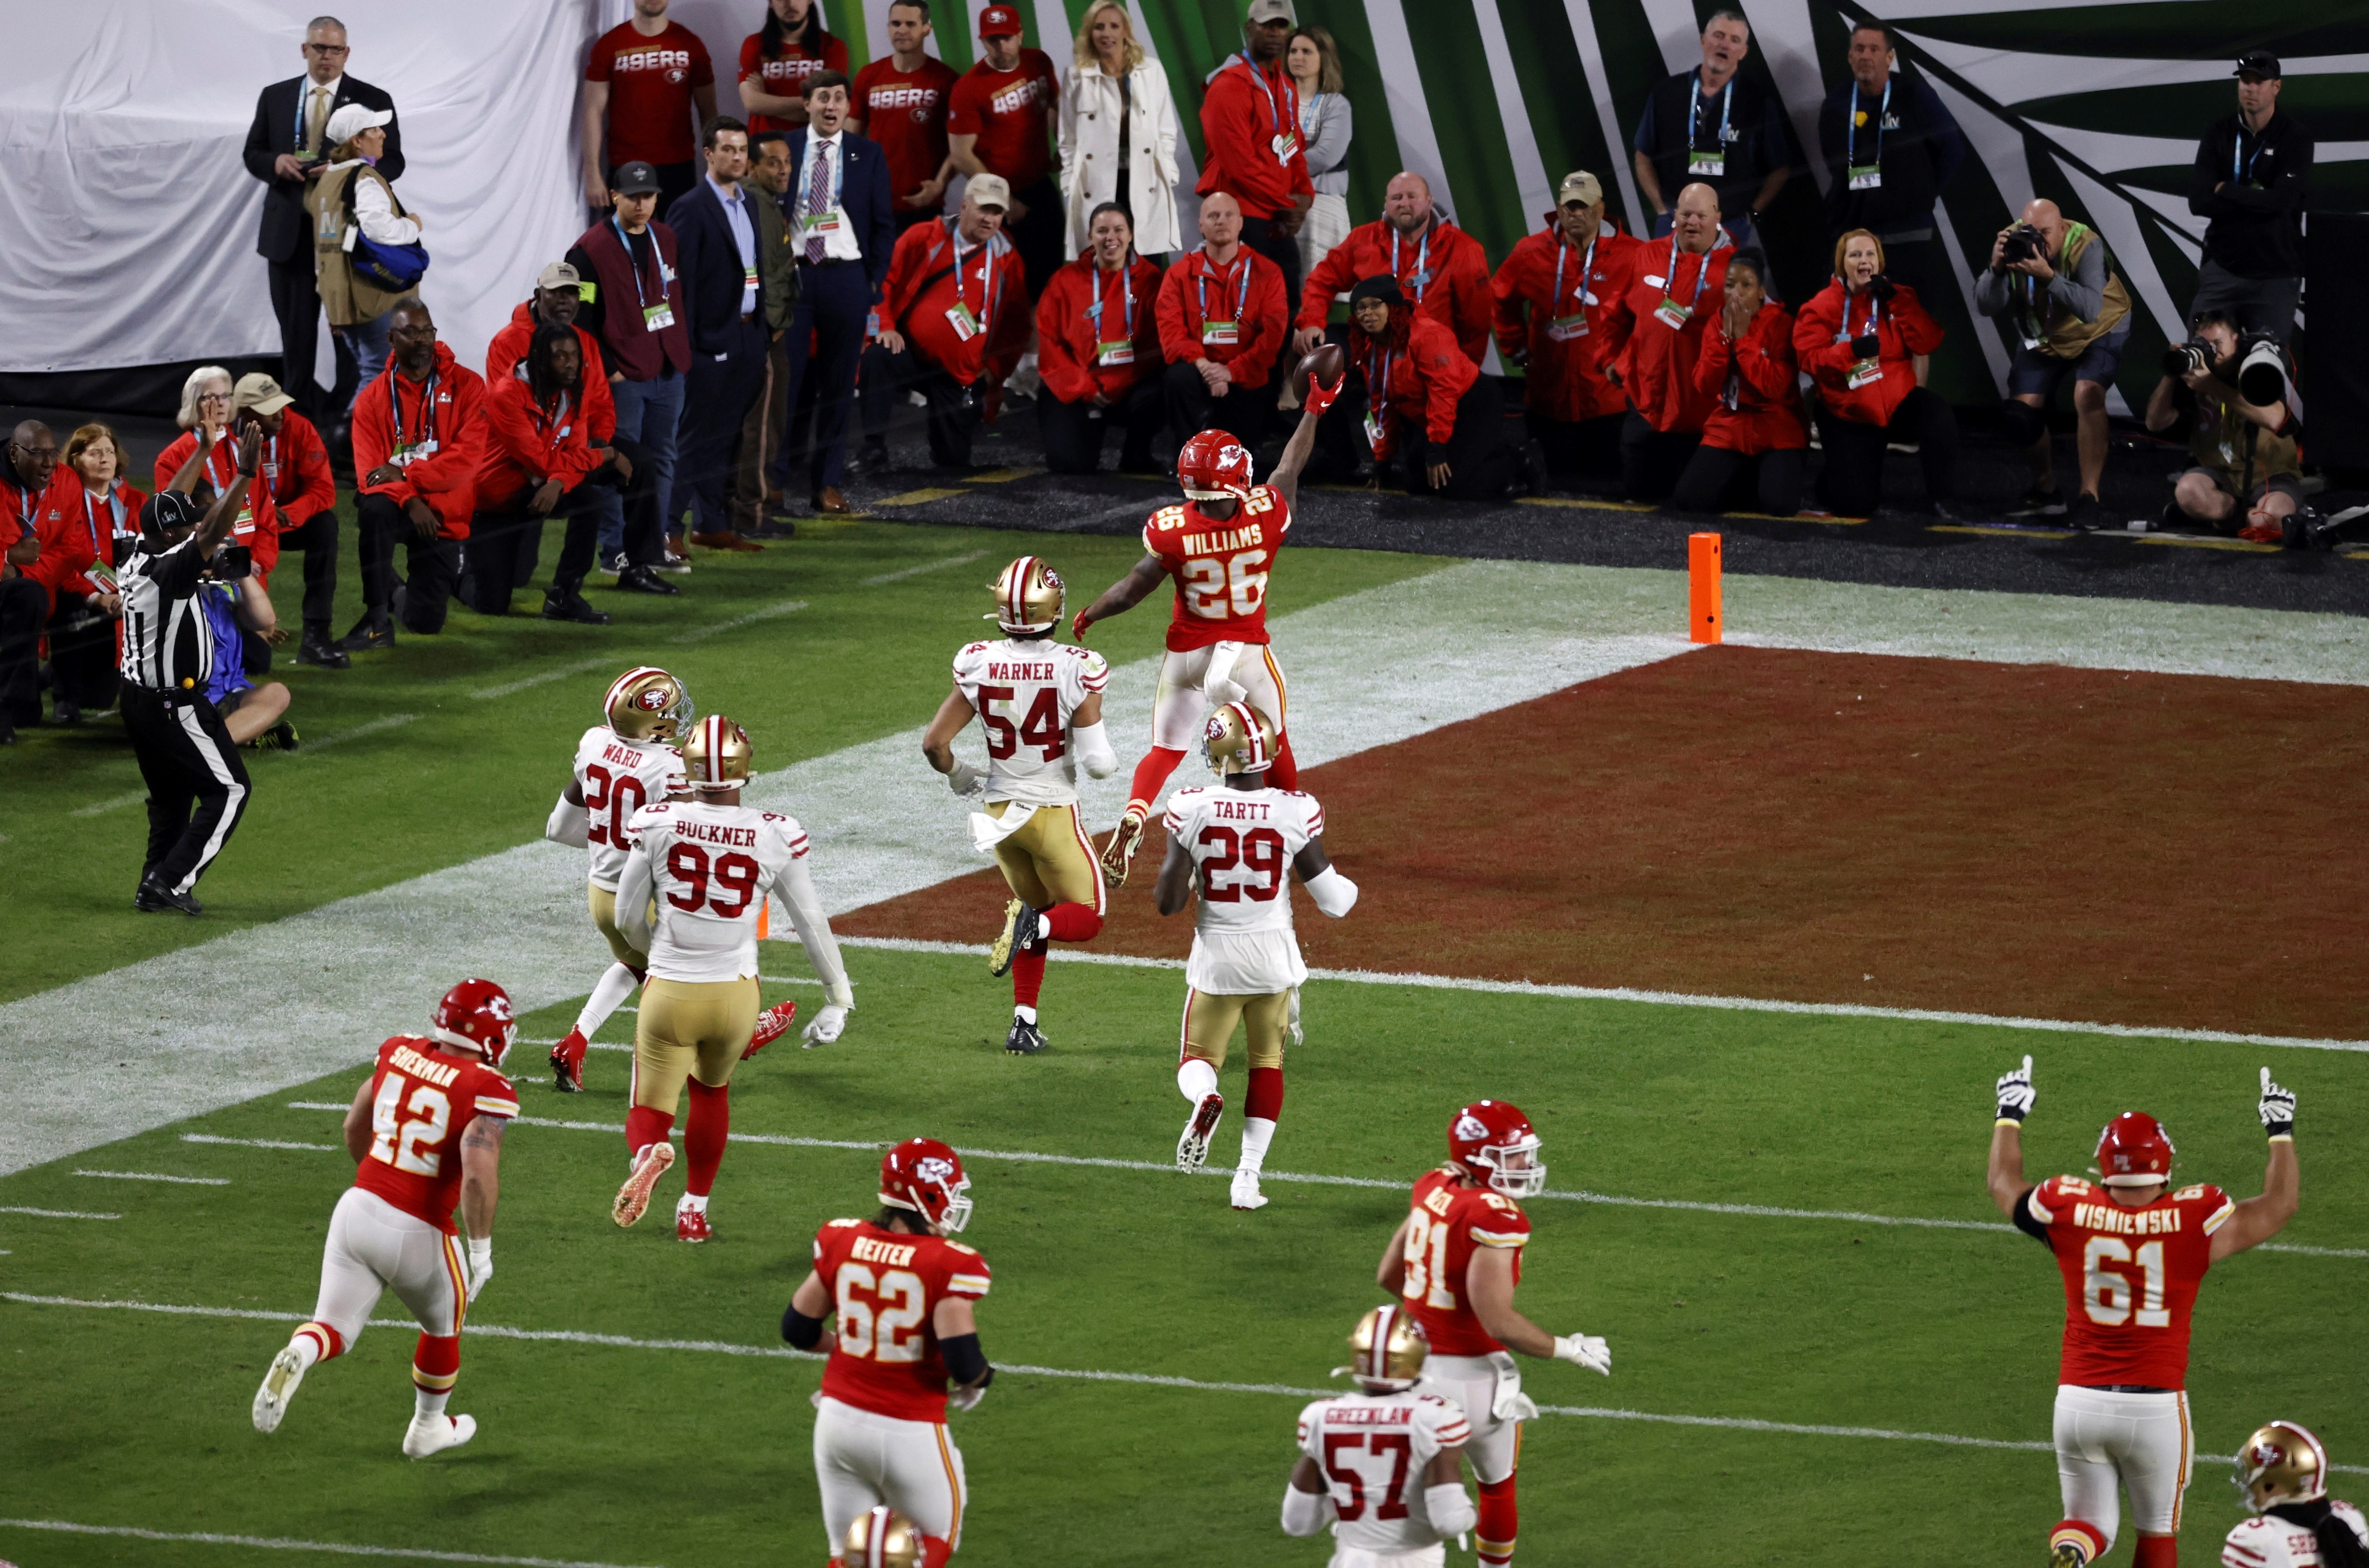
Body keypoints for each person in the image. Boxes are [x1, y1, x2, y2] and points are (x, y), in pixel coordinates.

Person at [1986, 1056, 2301, 1568]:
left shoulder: (2069, 1207)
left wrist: (2009, 1112)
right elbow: (2280, 1203)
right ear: (2166, 1165)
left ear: (2103, 1166)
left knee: (2091, 1525)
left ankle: (2072, 1548)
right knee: (2156, 1537)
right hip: (2154, 1406)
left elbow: (2003, 1183)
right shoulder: (2193, 1220)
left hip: (2079, 1400)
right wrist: (2279, 1129)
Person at [1071, 386, 1335, 885]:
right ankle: (1291, 833)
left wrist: (1089, 615)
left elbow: (1130, 591)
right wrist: (1314, 409)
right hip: (1245, 655)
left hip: (1188, 654)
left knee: (1166, 749)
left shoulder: (1169, 528)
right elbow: (1289, 468)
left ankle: (1133, 813)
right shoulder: (1265, 512)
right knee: (1274, 743)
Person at [249, 980, 519, 1460]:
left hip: (356, 1209)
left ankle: (301, 1354)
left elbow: (355, 1124)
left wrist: (378, 1185)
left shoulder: (398, 1050)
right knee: (443, 1325)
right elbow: (477, 1175)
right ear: (494, 1034)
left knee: (331, 1326)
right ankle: (426, 1429)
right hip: (419, 1227)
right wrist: (481, 1249)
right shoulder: (485, 1086)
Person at [611, 715, 854, 1242]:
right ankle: (694, 1210)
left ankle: (647, 1154)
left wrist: (659, 956)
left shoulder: (658, 821)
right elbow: (811, 920)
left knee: (649, 1105)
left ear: (688, 768)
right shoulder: (774, 831)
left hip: (671, 990)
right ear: (746, 770)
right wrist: (838, 996)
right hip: (735, 993)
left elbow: (626, 917)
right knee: (711, 1092)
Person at [1376, 1100, 1614, 1568]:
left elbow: (1388, 1272)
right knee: (1497, 1488)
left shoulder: (1433, 1186)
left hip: (1414, 1375)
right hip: (1474, 1384)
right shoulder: (1496, 1216)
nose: (1525, 1164)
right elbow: (1497, 1320)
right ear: (1479, 1157)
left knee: (1414, 1504)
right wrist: (1569, 1348)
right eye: (1513, 1155)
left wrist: (1432, 1316)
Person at [1154, 700, 1354, 1210]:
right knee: (1268, 1064)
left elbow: (1167, 904)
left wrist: (1188, 853)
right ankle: (1246, 1179)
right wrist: (1352, 886)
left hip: (1217, 956)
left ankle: (1204, 1099)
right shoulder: (1295, 809)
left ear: (1220, 752)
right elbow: (1333, 902)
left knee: (1197, 1059)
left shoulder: (1192, 805)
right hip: (1273, 958)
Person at [920, 557, 1116, 1056]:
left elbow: (935, 745)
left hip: (998, 815)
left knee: (1036, 905)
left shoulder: (978, 659)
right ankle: (1036, 928)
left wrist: (962, 776)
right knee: (1086, 915)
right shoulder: (1078, 665)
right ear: (1053, 607)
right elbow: (1097, 764)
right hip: (1050, 810)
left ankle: (1023, 1023)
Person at [781, 1138, 992, 1565]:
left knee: (848, 1555)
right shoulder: (948, 1262)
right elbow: (963, 1361)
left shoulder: (843, 1239)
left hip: (837, 1422)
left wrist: (851, 1347)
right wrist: (982, 1378)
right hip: (908, 1430)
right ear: (928, 1193)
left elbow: (798, 1327)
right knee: (935, 1538)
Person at [545, 667, 739, 1094]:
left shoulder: (593, 742)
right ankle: (736, 1036)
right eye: (669, 709)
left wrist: (610, 847)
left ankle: (574, 1043)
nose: (677, 714)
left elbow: (559, 828)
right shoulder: (669, 767)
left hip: (601, 894)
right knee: (705, 974)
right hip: (648, 899)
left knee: (636, 963)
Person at [117, 456, 261, 916]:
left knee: (172, 799)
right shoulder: (167, 570)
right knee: (231, 790)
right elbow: (211, 533)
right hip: (172, 705)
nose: (196, 533)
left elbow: (175, 527)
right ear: (167, 536)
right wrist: (244, 474)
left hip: (138, 699)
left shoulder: (135, 552)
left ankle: (151, 882)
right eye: (187, 528)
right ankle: (169, 881)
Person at [242, 16, 402, 422]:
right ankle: (298, 427)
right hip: (288, 235)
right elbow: (253, 153)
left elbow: (394, 162)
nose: (326, 56)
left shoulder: (372, 98)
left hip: (346, 237)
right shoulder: (275, 97)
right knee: (296, 339)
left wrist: (342, 170)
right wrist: (275, 162)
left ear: (346, 53)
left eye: (335, 49)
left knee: (353, 338)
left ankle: (344, 423)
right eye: (319, 48)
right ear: (304, 50)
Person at [488, 264, 675, 596]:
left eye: (571, 293)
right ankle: (475, 555)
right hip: (527, 457)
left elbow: (601, 402)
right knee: (514, 577)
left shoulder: (585, 342)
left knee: (641, 462)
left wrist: (600, 443)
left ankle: (637, 565)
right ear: (537, 295)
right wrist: (595, 455)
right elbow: (511, 420)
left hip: (576, 445)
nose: (565, 300)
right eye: (556, 292)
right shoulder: (506, 342)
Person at [566, 162, 694, 578]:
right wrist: (607, 368)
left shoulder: (666, 237)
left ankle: (651, 545)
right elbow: (578, 317)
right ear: (615, 196)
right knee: (621, 462)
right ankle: (615, 551)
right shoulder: (588, 250)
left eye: (649, 196)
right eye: (633, 196)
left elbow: (675, 296)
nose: (642, 204)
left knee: (662, 458)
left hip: (668, 366)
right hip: (624, 375)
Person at [1974, 198, 2131, 527]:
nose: (2038, 240)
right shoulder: (2013, 243)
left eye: (2046, 232)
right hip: (2044, 335)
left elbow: (2089, 309)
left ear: (2062, 229)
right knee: (2021, 416)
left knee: (2087, 394)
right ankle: (2046, 491)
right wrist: (1997, 268)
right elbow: (1986, 306)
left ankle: (2089, 496)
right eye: (2031, 230)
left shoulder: (2085, 244)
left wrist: (2047, 276)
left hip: (2099, 328)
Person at [779, 73, 897, 512]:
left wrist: (872, 282)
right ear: (806, 103)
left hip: (847, 277)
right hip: (794, 276)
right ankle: (771, 480)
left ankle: (825, 483)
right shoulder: (783, 147)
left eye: (840, 99)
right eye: (822, 98)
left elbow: (885, 225)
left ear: (848, 107)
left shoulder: (868, 153)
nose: (832, 106)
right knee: (783, 384)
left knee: (837, 386)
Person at [859, 179, 1031, 472]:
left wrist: (996, 368)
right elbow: (881, 284)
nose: (990, 219)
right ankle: (873, 447)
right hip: (909, 355)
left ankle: (949, 438)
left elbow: (1016, 323)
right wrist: (883, 327)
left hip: (959, 372)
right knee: (878, 356)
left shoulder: (1007, 259)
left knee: (953, 461)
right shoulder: (924, 236)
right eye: (983, 209)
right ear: (963, 206)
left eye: (997, 212)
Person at [1282, 1307, 1477, 1559]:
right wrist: (1473, 1514)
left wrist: (1352, 1500)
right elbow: (1450, 1521)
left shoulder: (1321, 1417)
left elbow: (1297, 1523)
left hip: (1351, 1560)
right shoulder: (1434, 1417)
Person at [468, 322, 628, 624]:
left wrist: (558, 482)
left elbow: (573, 455)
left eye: (574, 356)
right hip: (496, 502)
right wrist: (606, 454)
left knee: (589, 501)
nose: (570, 364)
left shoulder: (572, 390)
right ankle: (457, 571)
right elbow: (542, 460)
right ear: (541, 358)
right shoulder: (506, 394)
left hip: (536, 491)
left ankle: (564, 597)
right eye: (560, 356)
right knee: (493, 603)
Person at [345, 298, 485, 644]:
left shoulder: (468, 386)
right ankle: (376, 617)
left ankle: (393, 590)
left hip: (443, 512)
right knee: (373, 508)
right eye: (411, 332)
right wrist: (409, 499)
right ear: (391, 339)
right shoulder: (372, 400)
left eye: (427, 331)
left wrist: (408, 476)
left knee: (426, 622)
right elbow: (370, 475)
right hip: (401, 508)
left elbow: (466, 462)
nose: (422, 339)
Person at [1491, 171, 1646, 482]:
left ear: (1601, 208)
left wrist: (1631, 362)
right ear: (1559, 210)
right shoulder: (1530, 252)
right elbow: (1500, 298)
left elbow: (1649, 317)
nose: (1575, 213)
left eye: (1584, 206)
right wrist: (1515, 346)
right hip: (1548, 403)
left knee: (1611, 491)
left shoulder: (1634, 255)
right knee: (1554, 494)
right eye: (1569, 207)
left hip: (1607, 405)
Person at [1796, 229, 1957, 517]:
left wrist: (1900, 303)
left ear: (1879, 262)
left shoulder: (1898, 298)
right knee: (1855, 507)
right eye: (1855, 254)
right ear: (1841, 263)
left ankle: (1944, 498)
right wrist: (1850, 351)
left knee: (1937, 414)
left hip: (1896, 404)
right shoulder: (1821, 305)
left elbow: (1928, 341)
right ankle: (1833, 475)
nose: (1863, 260)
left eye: (1870, 254)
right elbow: (1808, 358)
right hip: (1848, 411)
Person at [666, 116, 771, 553]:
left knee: (724, 437)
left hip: (746, 337)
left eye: (741, 149)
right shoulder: (690, 207)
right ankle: (667, 528)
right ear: (708, 154)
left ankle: (710, 524)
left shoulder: (749, 203)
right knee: (692, 438)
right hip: (708, 344)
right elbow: (680, 286)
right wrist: (686, 349)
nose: (735, 156)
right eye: (726, 149)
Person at [1332, 275, 1526, 501]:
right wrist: (1382, 460)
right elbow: (1382, 405)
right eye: (1361, 308)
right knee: (1416, 483)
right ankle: (1480, 455)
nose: (1368, 313)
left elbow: (1442, 393)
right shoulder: (1370, 349)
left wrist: (1437, 447)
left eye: (1376, 304)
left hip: (1472, 406)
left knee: (1453, 486)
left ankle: (1519, 462)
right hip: (1430, 416)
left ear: (1393, 306)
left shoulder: (1427, 335)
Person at [1595, 182, 1732, 500]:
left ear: (1717, 217)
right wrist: (1610, 358)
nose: (1692, 222)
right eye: (1685, 213)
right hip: (1645, 399)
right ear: (1674, 215)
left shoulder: (1734, 268)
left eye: (1701, 215)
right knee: (1640, 494)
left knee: (1690, 502)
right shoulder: (1646, 255)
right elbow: (1614, 312)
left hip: (1699, 410)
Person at [1816, 23, 1965, 306]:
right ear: (1850, 56)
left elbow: (1952, 150)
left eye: (1875, 49)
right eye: (1859, 49)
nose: (1866, 56)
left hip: (1907, 234)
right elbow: (1834, 165)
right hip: (1856, 236)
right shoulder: (1836, 104)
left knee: (1911, 327)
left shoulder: (1915, 96)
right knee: (1856, 327)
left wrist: (1921, 191)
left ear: (1890, 57)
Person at [1292, 172, 1492, 367]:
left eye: (1412, 197)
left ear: (1429, 202)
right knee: (1322, 346)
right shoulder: (1363, 239)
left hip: (1431, 356)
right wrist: (1311, 321)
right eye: (1397, 198)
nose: (1404, 204)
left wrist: (1464, 370)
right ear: (1387, 204)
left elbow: (1476, 323)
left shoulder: (1463, 249)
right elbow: (1321, 281)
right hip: (1372, 347)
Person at [1631, 10, 1794, 247]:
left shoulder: (1757, 101)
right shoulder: (1667, 93)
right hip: (1674, 222)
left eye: (1735, 40)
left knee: (1722, 285)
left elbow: (1780, 167)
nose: (1725, 44)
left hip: (1730, 225)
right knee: (1665, 284)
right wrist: (1661, 210)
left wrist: (1751, 215)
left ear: (1744, 52)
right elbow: (1642, 154)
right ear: (1703, 41)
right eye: (1719, 35)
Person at [2189, 52, 2313, 344]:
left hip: (2275, 274)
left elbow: (2283, 204)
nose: (2250, 88)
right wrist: (2259, 199)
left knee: (2263, 367)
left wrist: (2227, 190)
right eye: (2245, 81)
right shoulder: (2218, 133)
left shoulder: (2295, 137)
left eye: (2259, 81)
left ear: (2276, 87)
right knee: (2201, 358)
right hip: (2222, 269)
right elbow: (2198, 202)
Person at [2145, 310, 2302, 539]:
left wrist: (2211, 385)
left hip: (2269, 474)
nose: (2213, 352)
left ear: (2236, 339)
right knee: (2188, 491)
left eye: (2218, 343)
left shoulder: (2254, 364)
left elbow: (2276, 419)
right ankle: (2231, 516)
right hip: (2220, 472)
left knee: (2271, 519)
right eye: (2206, 345)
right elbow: (2154, 423)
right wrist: (2171, 372)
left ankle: (2222, 519)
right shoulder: (2195, 373)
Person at [1035, 202, 1166, 475]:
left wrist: (1115, 383)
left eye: (1119, 230)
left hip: (1128, 386)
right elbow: (1050, 344)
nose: (1111, 238)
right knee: (1069, 465)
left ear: (1131, 235)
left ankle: (1137, 454)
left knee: (1170, 385)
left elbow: (1157, 345)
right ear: (1090, 237)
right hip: (1077, 388)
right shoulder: (1064, 280)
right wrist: (1086, 388)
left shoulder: (1152, 280)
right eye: (1102, 230)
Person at [1198, 0, 1313, 308]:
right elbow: (1240, 166)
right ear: (1249, 27)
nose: (1274, 33)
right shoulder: (1227, 85)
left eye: (1281, 25)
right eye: (1266, 25)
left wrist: (1304, 196)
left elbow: (1293, 148)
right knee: (1250, 313)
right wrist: (1290, 203)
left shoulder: (1285, 86)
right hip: (1241, 215)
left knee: (1286, 310)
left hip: (1277, 215)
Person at [304, 104, 417, 419]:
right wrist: (413, 225)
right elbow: (382, 230)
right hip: (371, 292)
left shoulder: (326, 182)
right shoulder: (363, 179)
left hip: (339, 294)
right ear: (357, 140)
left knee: (370, 369)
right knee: (380, 373)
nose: (383, 134)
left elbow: (324, 247)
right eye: (375, 130)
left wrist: (332, 304)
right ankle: (351, 446)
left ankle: (353, 444)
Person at [1157, 191, 1291, 454]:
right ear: (1201, 226)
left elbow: (1272, 337)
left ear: (1241, 223)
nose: (1221, 221)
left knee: (1241, 455)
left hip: (1245, 375)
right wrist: (1206, 367)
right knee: (1177, 378)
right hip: (1199, 372)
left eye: (1229, 215)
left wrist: (1233, 371)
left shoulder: (1268, 272)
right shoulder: (1178, 274)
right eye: (1213, 216)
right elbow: (1171, 333)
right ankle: (1185, 454)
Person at [1673, 249, 1806, 515]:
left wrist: (1744, 341)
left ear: (1760, 292)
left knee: (1780, 505)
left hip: (1775, 422)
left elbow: (1776, 388)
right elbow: (1705, 385)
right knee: (1689, 500)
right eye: (1730, 285)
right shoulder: (1716, 323)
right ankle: (1748, 477)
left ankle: (1764, 476)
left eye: (1746, 285)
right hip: (1731, 420)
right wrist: (1725, 340)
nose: (1736, 293)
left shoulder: (1782, 324)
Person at [229, 374, 346, 668]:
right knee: (255, 660)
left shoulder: (298, 428)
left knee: (325, 526)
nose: (280, 414)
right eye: (270, 409)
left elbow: (323, 489)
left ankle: (317, 636)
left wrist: (291, 512)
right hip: (239, 530)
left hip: (284, 521)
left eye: (280, 405)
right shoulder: (224, 442)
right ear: (245, 413)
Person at [946, 5, 1061, 300]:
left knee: (1054, 274)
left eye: (1007, 37)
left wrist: (1062, 145)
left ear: (1020, 35)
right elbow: (961, 155)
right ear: (982, 41)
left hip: (1041, 186)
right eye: (993, 39)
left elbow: (1054, 104)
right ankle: (1024, 347)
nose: (1002, 46)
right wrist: (1004, 200)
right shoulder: (968, 88)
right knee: (1017, 286)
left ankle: (1050, 344)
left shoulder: (1038, 62)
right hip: (1002, 201)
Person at [1057, 1, 1181, 261]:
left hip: (1144, 177)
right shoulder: (1076, 76)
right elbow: (1067, 137)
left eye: (1115, 26)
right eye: (1099, 27)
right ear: (1090, 33)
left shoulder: (1151, 70)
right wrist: (1070, 181)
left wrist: (1167, 170)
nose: (1107, 34)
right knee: (1103, 261)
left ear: (1126, 30)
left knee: (1147, 262)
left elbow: (1166, 127)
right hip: (1097, 181)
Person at [46, 424, 148, 720]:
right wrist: (95, 597)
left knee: (100, 697)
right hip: (79, 598)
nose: (104, 459)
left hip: (123, 603)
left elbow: (151, 556)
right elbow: (57, 560)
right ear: (75, 459)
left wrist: (126, 594)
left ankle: (48, 674)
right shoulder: (62, 501)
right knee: (71, 604)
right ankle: (65, 699)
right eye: (95, 452)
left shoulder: (136, 501)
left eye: (109, 452)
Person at [582, 0, 716, 220]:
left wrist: (716, 166)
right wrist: (592, 174)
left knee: (678, 247)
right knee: (626, 250)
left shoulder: (690, 44)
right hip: (625, 166)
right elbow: (592, 111)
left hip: (678, 167)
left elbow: (709, 111)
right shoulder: (609, 45)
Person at [154, 367, 283, 596]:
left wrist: (255, 561)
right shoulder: (173, 458)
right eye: (210, 397)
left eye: (225, 396)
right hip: (202, 578)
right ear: (194, 403)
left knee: (261, 625)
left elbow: (265, 516)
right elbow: (172, 527)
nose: (220, 403)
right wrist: (220, 561)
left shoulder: (243, 448)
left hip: (251, 573)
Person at [732, 131, 803, 538]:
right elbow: (762, 275)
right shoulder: (755, 204)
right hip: (763, 334)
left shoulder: (761, 203)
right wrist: (772, 328)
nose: (783, 170)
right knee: (761, 428)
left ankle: (741, 509)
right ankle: (750, 514)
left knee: (760, 426)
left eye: (788, 162)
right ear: (753, 167)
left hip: (762, 330)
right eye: (774, 163)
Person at [5, 423, 92, 726]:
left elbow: (71, 550)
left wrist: (19, 569)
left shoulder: (67, 482)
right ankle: (13, 704)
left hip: (38, 583)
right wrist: (5, 558)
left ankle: (66, 695)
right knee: (28, 599)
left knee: (71, 602)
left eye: (53, 453)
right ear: (14, 454)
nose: (48, 462)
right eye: (38, 454)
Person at [848, 0, 958, 235]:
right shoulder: (869, 76)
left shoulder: (946, 80)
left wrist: (939, 184)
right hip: (874, 203)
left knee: (920, 272)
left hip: (922, 203)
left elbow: (960, 145)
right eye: (896, 24)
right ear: (888, 27)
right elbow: (849, 139)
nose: (902, 30)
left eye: (911, 24)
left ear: (927, 28)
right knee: (879, 272)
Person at [2223, 1422, 2367, 1568]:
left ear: (2271, 1484)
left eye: (2251, 1474)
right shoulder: (2348, 1518)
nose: (2248, 1479)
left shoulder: (2258, 1538)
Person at [198, 556, 297, 754]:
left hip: (225, 693)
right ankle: (247, 736)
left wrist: (241, 571)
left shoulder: (223, 589)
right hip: (185, 695)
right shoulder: (171, 589)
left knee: (278, 693)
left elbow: (265, 620)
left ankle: (211, 744)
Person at [1285, 26, 1352, 287]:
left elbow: (1326, 156)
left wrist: (1276, 170)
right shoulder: (1275, 101)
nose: (1297, 57)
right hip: (1282, 205)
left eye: (1306, 51)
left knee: (1320, 291)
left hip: (1322, 208)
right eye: (1293, 51)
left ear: (1324, 58)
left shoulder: (1336, 105)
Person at [738, 0, 847, 136]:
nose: (789, 3)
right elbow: (751, 103)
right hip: (765, 144)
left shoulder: (833, 47)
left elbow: (829, 108)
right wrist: (811, 103)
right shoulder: (754, 45)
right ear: (771, 2)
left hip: (815, 143)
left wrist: (766, 103)